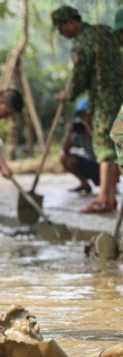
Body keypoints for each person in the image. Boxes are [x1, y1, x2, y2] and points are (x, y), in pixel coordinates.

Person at [52, 5, 123, 213]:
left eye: (60, 27)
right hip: (120, 97)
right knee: (114, 143)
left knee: (105, 144)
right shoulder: (105, 31)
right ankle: (108, 198)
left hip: (105, 100)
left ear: (71, 23)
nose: (60, 33)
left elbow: (80, 77)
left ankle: (104, 199)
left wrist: (69, 94)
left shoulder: (82, 43)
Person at [61, 99, 100, 193]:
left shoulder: (101, 125)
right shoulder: (80, 131)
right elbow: (65, 150)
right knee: (65, 158)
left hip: (106, 165)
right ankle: (84, 184)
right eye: (81, 115)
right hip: (92, 165)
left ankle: (111, 185)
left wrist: (91, 133)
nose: (83, 118)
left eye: (85, 114)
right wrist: (69, 133)